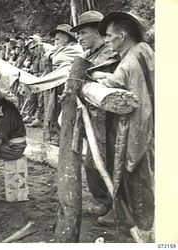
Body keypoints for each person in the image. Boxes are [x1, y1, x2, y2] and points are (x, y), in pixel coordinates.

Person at [92, 12, 154, 234]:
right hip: (147, 123)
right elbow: (119, 80)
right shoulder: (141, 51)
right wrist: (104, 77)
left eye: (109, 36)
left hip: (141, 125)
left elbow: (139, 98)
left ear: (122, 34)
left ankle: (143, 224)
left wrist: (137, 135)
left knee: (138, 172)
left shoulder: (132, 59)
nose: (106, 40)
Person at [70, 11, 119, 217]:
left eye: (83, 33)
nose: (79, 38)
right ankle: (105, 201)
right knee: (93, 160)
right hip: (92, 116)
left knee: (104, 160)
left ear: (98, 33)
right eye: (78, 34)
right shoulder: (89, 55)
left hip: (110, 119)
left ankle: (112, 206)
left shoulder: (110, 53)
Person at [44, 24, 83, 146]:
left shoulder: (74, 48)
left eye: (57, 39)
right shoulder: (63, 48)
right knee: (54, 109)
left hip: (68, 84)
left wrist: (51, 55)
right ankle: (56, 137)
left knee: (63, 111)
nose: (55, 42)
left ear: (66, 39)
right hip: (59, 82)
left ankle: (62, 138)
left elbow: (56, 59)